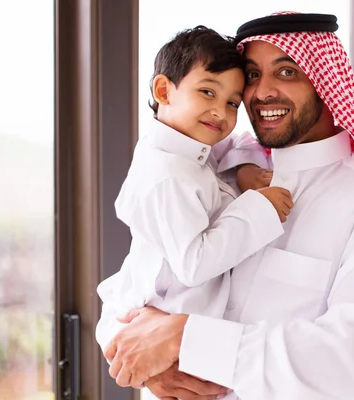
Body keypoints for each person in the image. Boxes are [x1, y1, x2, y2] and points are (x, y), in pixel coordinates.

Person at [102, 12, 354, 400]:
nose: (263, 92)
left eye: (286, 72)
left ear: (326, 83)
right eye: (252, 75)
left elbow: (342, 360)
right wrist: (136, 350)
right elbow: (135, 278)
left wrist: (181, 340)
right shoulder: (221, 170)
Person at [95, 26, 293, 360]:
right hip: (171, 332)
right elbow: (194, 264)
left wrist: (243, 169)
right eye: (207, 92)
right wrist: (259, 208)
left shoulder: (189, 149)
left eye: (232, 102)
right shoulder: (168, 173)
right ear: (164, 90)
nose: (221, 112)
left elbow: (235, 145)